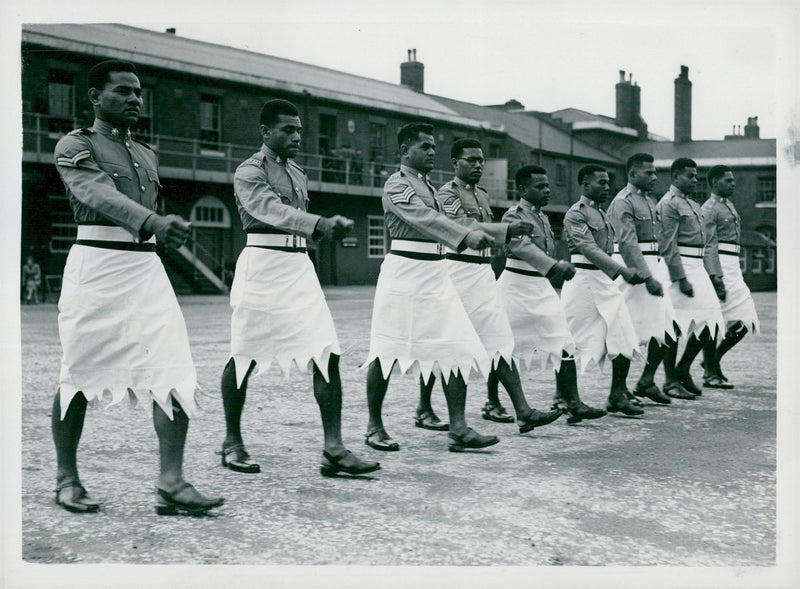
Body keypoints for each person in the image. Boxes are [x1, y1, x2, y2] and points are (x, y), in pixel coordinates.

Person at [51, 60, 223, 515]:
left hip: (146, 270)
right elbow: (95, 193)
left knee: (173, 370)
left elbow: (147, 212)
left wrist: (164, 227)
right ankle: (66, 479)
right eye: (123, 91)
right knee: (79, 374)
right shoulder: (74, 144)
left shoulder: (146, 153)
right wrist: (151, 221)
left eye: (138, 92)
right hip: (97, 267)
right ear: (94, 97)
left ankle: (171, 483)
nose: (134, 99)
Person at [220, 99, 379, 478]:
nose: (296, 136)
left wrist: (324, 231)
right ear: (265, 132)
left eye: (299, 130)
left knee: (327, 351)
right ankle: (231, 441)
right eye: (287, 130)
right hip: (262, 265)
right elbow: (269, 210)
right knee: (245, 355)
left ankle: (334, 448)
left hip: (298, 268)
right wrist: (319, 223)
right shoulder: (248, 171)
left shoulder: (298, 173)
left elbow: (298, 221)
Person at [363, 123, 499, 453]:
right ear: (404, 152)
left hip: (437, 274)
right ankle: (374, 426)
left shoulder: (431, 188)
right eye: (424, 146)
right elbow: (420, 217)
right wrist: (465, 235)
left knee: (459, 346)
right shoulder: (396, 184)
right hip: (405, 273)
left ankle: (459, 428)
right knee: (387, 351)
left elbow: (443, 222)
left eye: (434, 146)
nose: (432, 151)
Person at [416, 141, 561, 434]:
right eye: (470, 160)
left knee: (499, 340)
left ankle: (523, 411)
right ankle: (424, 407)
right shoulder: (447, 194)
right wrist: (506, 231)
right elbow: (463, 225)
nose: (478, 165)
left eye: (481, 160)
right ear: (455, 163)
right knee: (445, 342)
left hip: (482, 272)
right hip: (458, 268)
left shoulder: (482, 194)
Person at [498, 165, 607, 424]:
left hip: (541, 287)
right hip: (515, 286)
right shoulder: (512, 217)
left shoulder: (543, 217)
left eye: (548, 186)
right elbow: (522, 247)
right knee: (502, 346)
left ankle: (572, 401)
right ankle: (493, 401)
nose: (547, 191)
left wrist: (554, 265)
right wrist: (554, 267)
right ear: (523, 190)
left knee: (565, 341)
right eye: (540, 187)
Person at [561, 165, 646, 416]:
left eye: (608, 183)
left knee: (624, 336)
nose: (607, 187)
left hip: (605, 282)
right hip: (583, 280)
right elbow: (588, 249)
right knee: (570, 342)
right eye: (601, 183)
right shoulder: (575, 214)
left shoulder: (604, 213)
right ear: (585, 185)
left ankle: (617, 395)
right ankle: (568, 399)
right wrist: (621, 270)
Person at [607, 154, 677, 404]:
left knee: (668, 328)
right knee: (628, 331)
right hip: (633, 272)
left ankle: (646, 380)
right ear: (632, 174)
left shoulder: (649, 200)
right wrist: (646, 277)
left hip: (653, 267)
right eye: (649, 173)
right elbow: (627, 244)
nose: (655, 177)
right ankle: (618, 392)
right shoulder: (622, 202)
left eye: (655, 172)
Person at [655, 158, 726, 398]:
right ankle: (670, 380)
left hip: (698, 267)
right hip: (679, 266)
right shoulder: (668, 204)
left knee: (711, 321)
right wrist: (679, 277)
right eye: (689, 176)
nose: (695, 180)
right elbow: (667, 244)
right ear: (675, 177)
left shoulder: (694, 205)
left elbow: (706, 244)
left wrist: (713, 275)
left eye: (696, 176)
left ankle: (683, 368)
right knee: (674, 325)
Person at [700, 165, 760, 388]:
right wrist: (715, 276)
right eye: (728, 180)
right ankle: (709, 372)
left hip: (733, 265)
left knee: (746, 320)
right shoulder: (709, 208)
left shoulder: (730, 206)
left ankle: (712, 361)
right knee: (713, 321)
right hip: (720, 265)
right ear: (715, 182)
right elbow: (709, 245)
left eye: (733, 180)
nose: (733, 183)